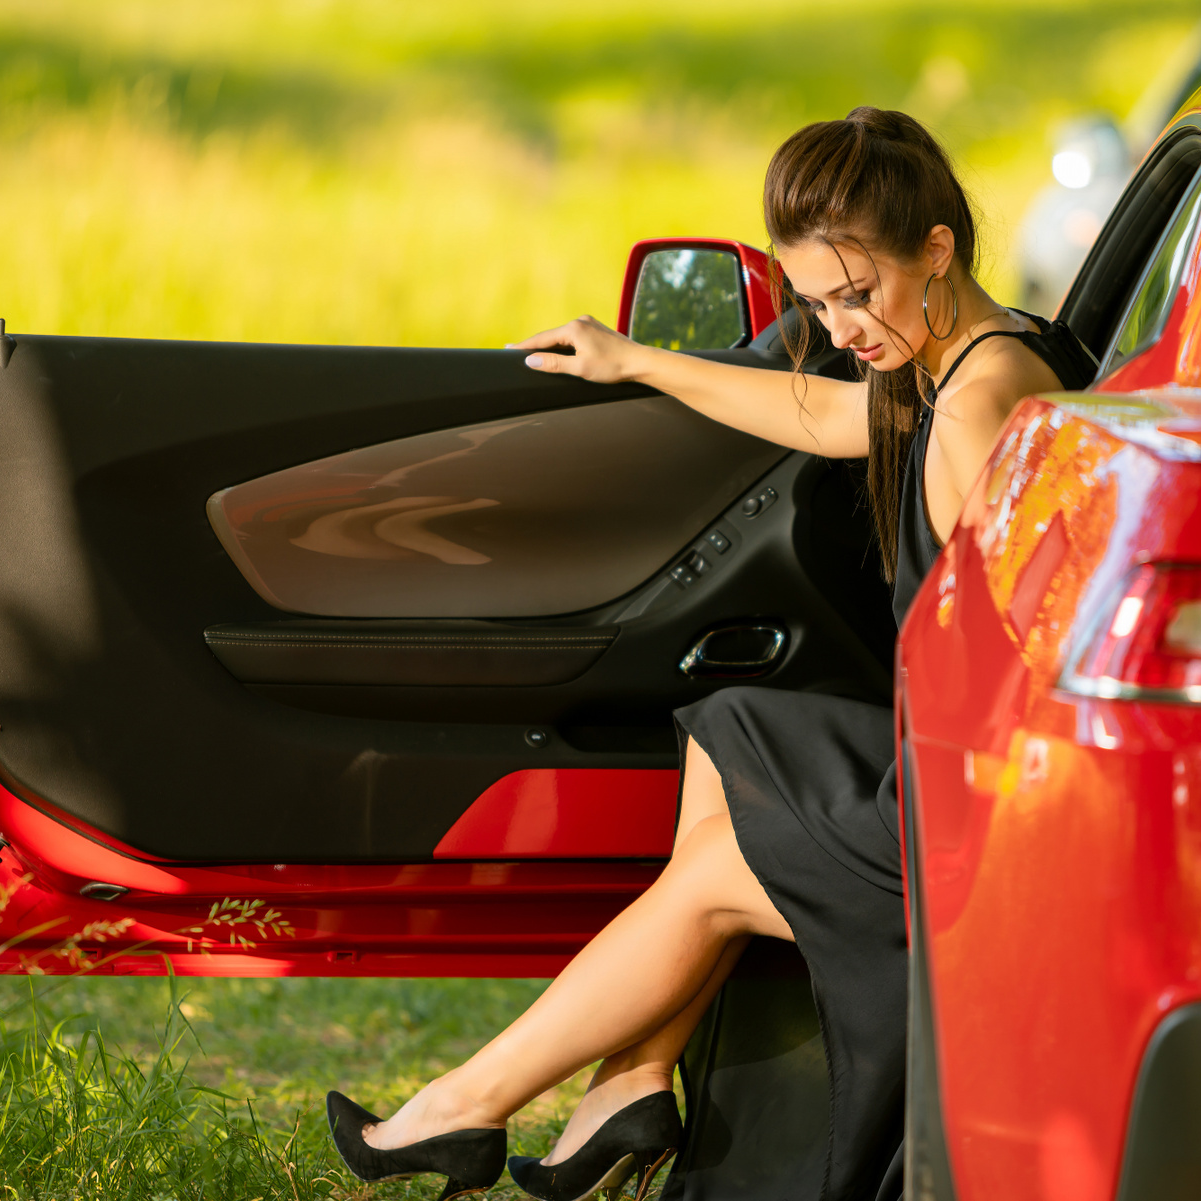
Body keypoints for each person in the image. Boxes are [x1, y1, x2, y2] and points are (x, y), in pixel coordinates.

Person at [326, 105, 1099, 1201]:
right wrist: (637, 360)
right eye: (816, 302)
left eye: (855, 293)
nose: (839, 327)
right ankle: (635, 1078)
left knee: (711, 879)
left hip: (987, 819)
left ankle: (462, 1106)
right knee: (733, 724)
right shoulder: (973, 352)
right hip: (951, 763)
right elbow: (830, 417)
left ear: (936, 249)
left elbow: (1043, 660)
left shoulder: (981, 407)